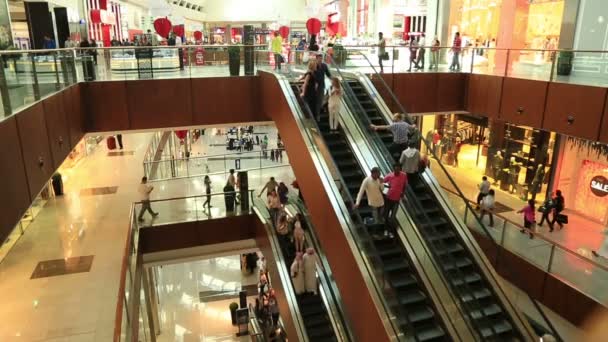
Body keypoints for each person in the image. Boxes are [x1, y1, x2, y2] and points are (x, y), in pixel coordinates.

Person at [383, 163, 408, 238]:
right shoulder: (390, 176)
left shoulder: (404, 175)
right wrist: (387, 187)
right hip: (388, 199)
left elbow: (404, 185)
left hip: (396, 200)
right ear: (393, 169)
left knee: (392, 217)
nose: (396, 171)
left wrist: (403, 194)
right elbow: (382, 182)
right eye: (395, 169)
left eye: (398, 169)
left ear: (400, 169)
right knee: (386, 215)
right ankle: (386, 230)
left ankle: (390, 231)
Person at [314, 53, 331, 118]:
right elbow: (310, 73)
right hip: (314, 85)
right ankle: (316, 114)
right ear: (316, 59)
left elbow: (328, 74)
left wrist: (334, 80)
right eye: (319, 59)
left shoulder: (324, 66)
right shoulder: (314, 65)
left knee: (320, 99)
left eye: (321, 59)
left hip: (321, 85)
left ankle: (318, 114)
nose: (320, 60)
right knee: (316, 100)